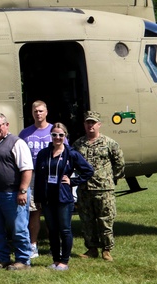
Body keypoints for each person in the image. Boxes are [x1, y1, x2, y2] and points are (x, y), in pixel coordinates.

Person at [35, 122, 94, 270]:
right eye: (54, 135)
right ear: (51, 136)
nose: (57, 138)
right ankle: (55, 260)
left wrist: (73, 181)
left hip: (63, 197)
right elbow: (39, 178)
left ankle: (64, 261)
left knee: (65, 229)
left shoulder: (71, 153)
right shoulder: (44, 154)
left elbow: (88, 171)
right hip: (48, 197)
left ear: (65, 136)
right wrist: (37, 198)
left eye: (61, 135)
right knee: (52, 229)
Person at [0, 113, 34, 271]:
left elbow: (27, 169)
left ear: (7, 125)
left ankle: (23, 260)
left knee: (18, 227)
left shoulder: (17, 143)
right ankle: (3, 258)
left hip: (13, 193)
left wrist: (23, 191)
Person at [73, 111, 125, 261]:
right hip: (84, 189)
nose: (90, 125)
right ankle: (92, 248)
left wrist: (109, 178)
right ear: (84, 124)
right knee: (87, 221)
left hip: (104, 189)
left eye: (93, 123)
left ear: (99, 125)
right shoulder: (78, 144)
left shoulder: (110, 143)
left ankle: (106, 250)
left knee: (106, 220)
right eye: (88, 122)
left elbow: (119, 163)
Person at [18, 100, 54, 260]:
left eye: (40, 111)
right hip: (32, 177)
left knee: (52, 212)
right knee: (34, 212)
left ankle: (55, 245)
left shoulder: (55, 130)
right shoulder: (25, 134)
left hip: (50, 176)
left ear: (46, 112)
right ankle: (33, 245)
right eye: (35, 111)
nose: (38, 114)